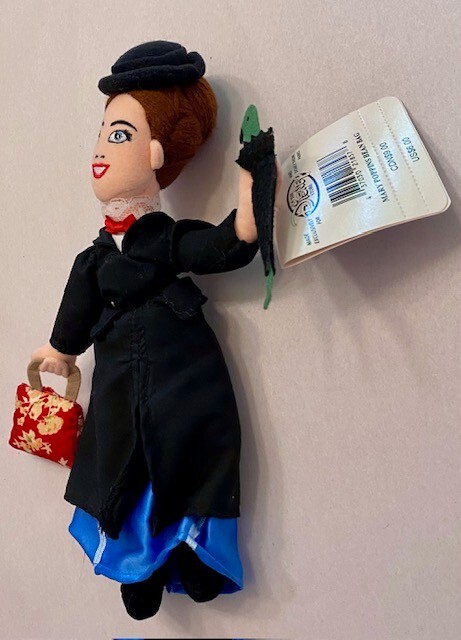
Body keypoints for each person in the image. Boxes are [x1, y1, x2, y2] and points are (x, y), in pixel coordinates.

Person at [30, 41, 266, 619]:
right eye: (102, 133)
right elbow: (76, 310)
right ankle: (139, 567)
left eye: (119, 135)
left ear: (155, 151)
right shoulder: (94, 258)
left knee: (189, 451)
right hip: (116, 378)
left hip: (182, 371)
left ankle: (193, 554)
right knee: (119, 462)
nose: (100, 151)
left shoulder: (165, 238)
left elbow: (224, 244)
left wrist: (249, 189)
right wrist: (60, 349)